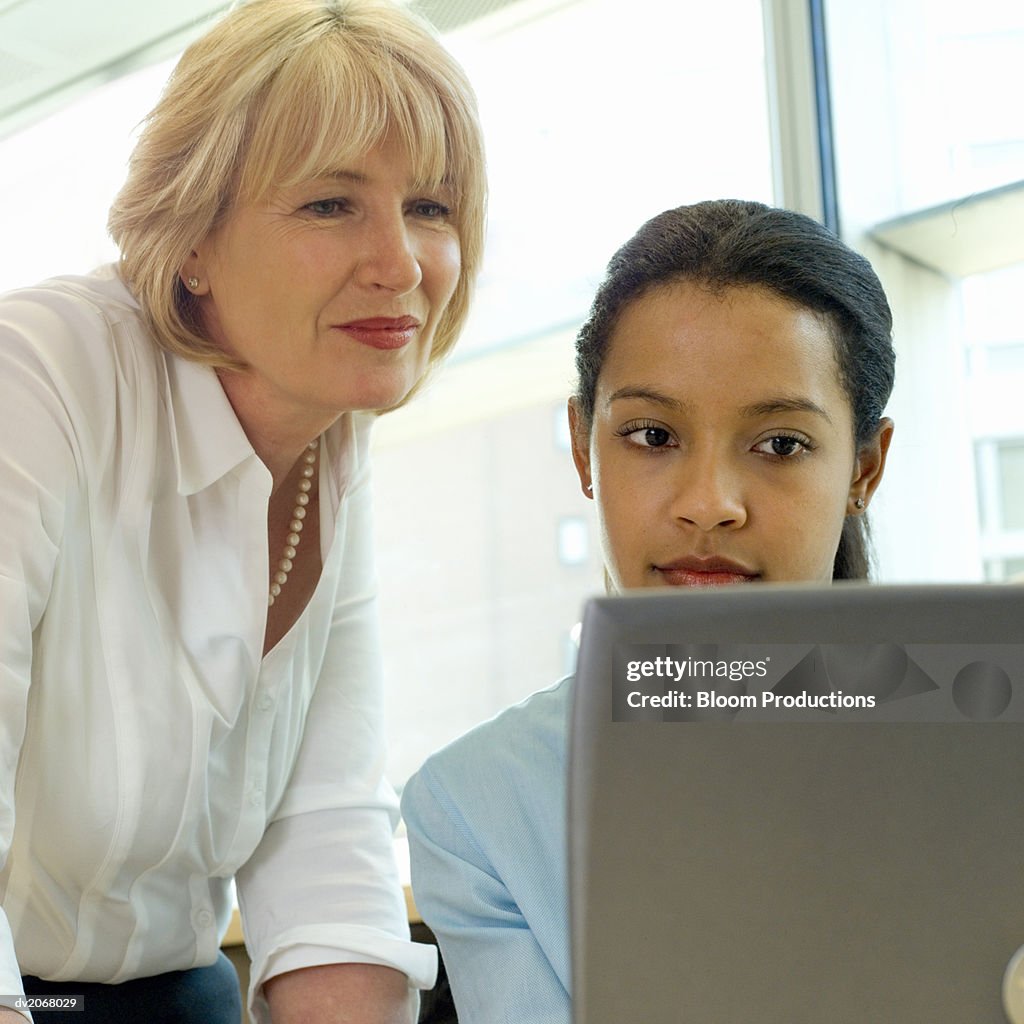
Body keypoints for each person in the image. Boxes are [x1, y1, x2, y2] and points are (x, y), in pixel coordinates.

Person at [0, 1, 485, 1022]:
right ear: (191, 244)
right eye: (330, 205)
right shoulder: (34, 380)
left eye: (431, 207)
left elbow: (327, 847)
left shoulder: (327, 448)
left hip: (168, 996)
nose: (398, 263)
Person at [401, 199, 895, 1023]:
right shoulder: (483, 805)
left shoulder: (983, 746)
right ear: (581, 445)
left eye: (780, 444)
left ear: (863, 470)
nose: (708, 506)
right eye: (653, 436)